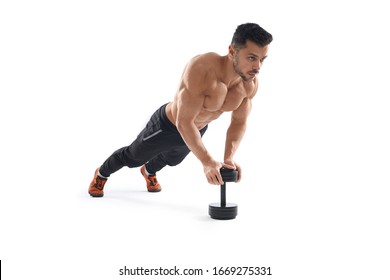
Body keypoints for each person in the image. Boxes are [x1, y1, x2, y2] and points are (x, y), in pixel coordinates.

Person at [88, 23, 273, 197]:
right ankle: (102, 174)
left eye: (262, 59)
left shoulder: (249, 84)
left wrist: (228, 159)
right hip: (168, 125)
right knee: (133, 157)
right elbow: (183, 122)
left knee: (172, 160)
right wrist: (207, 162)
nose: (257, 67)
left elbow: (239, 122)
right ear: (232, 51)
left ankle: (149, 171)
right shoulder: (202, 69)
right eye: (251, 58)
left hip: (197, 129)